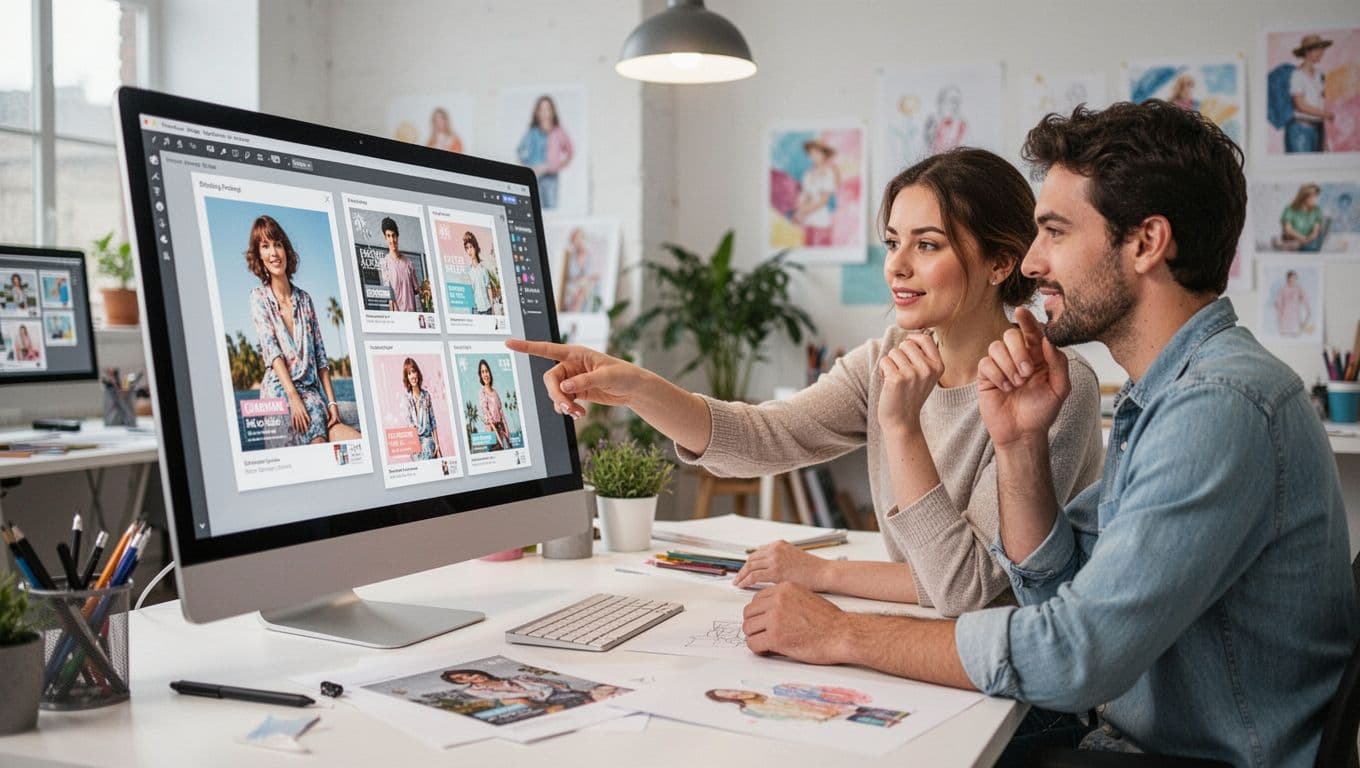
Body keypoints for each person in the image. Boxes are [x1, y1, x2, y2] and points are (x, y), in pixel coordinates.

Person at [732, 101, 1359, 768]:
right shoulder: (1164, 393)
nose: (1030, 263)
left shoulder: (1218, 407)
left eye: (1055, 232)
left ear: (1146, 242)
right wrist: (1019, 447)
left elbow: (1073, 656)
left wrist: (842, 634)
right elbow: (1059, 585)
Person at [508, 147, 1104, 619]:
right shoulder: (886, 359)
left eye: (927, 245)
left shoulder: (1050, 388)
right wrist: (635, 386)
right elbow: (763, 438)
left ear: (1000, 263)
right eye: (892, 242)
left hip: (1018, 682)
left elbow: (965, 587)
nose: (896, 266)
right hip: (931, 635)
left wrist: (826, 565)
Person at [246, 214, 361, 446]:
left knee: (330, 435)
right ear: (259, 256)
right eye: (265, 246)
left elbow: (320, 356)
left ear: (286, 249)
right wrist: (292, 395)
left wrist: (332, 403)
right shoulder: (258, 297)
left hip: (309, 390)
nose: (273, 253)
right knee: (309, 439)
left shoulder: (305, 300)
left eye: (277, 244)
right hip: (279, 388)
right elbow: (272, 351)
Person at [516, 95, 574, 210]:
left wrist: (555, 165)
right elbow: (520, 150)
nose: (545, 113)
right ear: (537, 112)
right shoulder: (532, 132)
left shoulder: (558, 131)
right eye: (542, 109)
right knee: (533, 207)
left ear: (552, 111)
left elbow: (570, 151)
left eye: (547, 109)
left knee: (550, 207)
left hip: (550, 177)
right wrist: (529, 167)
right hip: (534, 176)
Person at [1287, 34, 1335, 153]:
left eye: (1321, 49)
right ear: (1307, 52)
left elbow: (1321, 100)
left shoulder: (1319, 75)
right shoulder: (1297, 75)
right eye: (1317, 49)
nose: (1321, 52)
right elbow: (1300, 105)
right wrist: (1326, 114)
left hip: (1318, 128)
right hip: (1301, 129)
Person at [792, 139, 840, 247]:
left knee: (822, 248)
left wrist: (803, 211)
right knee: (807, 248)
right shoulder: (808, 174)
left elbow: (823, 200)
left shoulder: (829, 173)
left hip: (821, 219)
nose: (814, 155)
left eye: (817, 152)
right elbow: (805, 194)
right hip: (807, 220)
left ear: (824, 154)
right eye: (811, 152)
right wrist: (799, 210)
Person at [401, 357, 441, 461]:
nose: (412, 376)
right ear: (407, 378)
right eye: (409, 373)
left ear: (417, 373)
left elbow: (433, 421)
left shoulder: (426, 396)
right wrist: (415, 444)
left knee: (427, 446)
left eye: (413, 371)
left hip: (428, 440)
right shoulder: (406, 398)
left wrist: (437, 445)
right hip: (415, 443)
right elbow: (409, 423)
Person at [1273, 183, 1330, 252]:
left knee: (1311, 244)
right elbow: (1288, 229)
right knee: (1281, 240)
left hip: (1309, 241)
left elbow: (1315, 232)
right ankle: (1291, 245)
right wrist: (1301, 238)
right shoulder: (1290, 209)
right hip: (1293, 239)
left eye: (1316, 197)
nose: (1316, 199)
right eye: (1313, 197)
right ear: (1304, 197)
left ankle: (1293, 246)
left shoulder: (1317, 210)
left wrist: (1306, 240)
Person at [379, 217, 419, 313]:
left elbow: (417, 290)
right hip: (397, 315)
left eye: (393, 235)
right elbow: (389, 295)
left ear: (397, 236)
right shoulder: (385, 263)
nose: (392, 240)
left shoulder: (408, 262)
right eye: (388, 236)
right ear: (385, 238)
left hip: (411, 313)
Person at [558, 227, 597, 313]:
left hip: (583, 284)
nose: (579, 241)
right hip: (571, 285)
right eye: (576, 239)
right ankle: (573, 314)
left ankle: (575, 315)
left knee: (585, 290)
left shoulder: (589, 255)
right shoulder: (570, 256)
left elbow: (591, 275)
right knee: (578, 292)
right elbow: (568, 275)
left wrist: (586, 280)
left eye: (580, 238)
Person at [477, 359, 511, 450]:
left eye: (486, 371)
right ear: (480, 375)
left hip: (500, 430)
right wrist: (498, 437)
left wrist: (507, 431)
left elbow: (501, 413)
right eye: (482, 372)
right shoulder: (482, 392)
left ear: (490, 373)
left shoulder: (495, 392)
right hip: (491, 432)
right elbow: (488, 416)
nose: (485, 374)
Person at [464, 232, 496, 315]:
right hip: (476, 310)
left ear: (475, 247)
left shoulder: (483, 269)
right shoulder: (467, 271)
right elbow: (469, 293)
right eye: (467, 248)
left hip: (487, 308)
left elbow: (488, 287)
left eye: (471, 247)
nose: (469, 250)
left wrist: (492, 307)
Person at [1273, 269, 1312, 337]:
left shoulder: (1298, 289)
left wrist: (1307, 309)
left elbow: (1304, 300)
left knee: (1295, 334)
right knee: (1284, 334)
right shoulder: (1283, 289)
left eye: (1295, 278)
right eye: (1292, 278)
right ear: (1288, 278)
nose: (1293, 280)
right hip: (1285, 314)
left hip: (1295, 314)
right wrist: (1277, 307)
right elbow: (1278, 302)